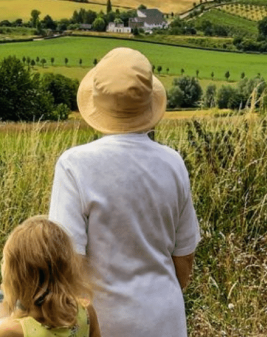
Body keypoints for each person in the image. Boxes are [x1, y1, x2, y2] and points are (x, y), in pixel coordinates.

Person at [49, 47, 201, 337]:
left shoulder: (74, 165)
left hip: (103, 323)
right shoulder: (173, 163)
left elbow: (67, 261)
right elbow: (184, 259)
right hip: (166, 320)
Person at [0, 215, 101, 337]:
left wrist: (2, 311)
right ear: (67, 268)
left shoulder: (12, 331)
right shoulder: (86, 311)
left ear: (17, 278)